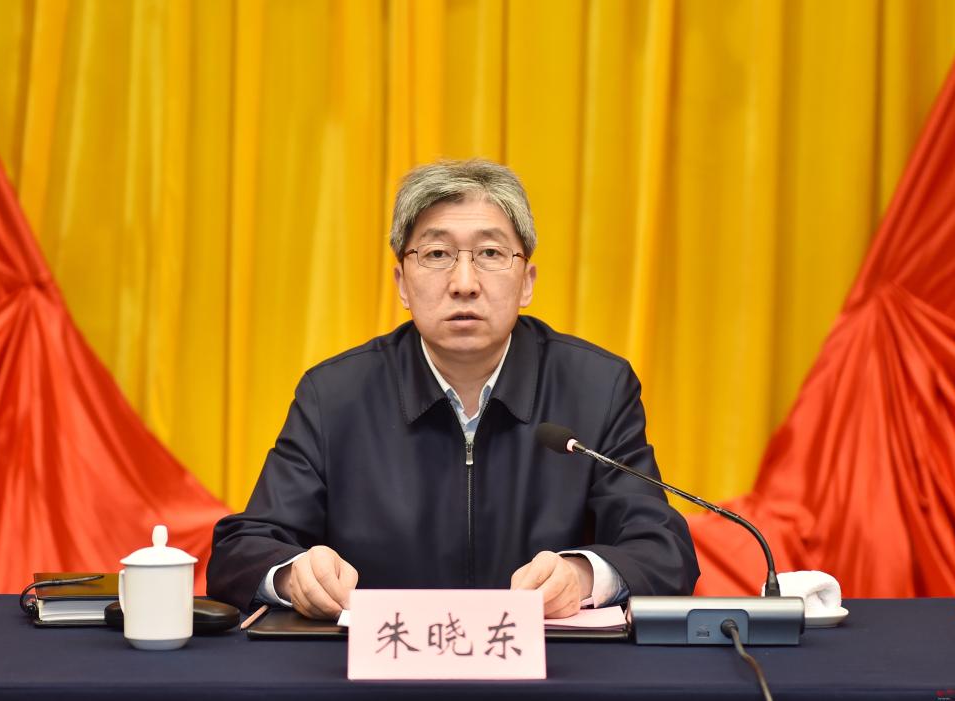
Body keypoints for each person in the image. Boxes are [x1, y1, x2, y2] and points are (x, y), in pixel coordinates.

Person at [207, 159, 698, 618]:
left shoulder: (597, 388)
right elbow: (241, 550)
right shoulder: (334, 396)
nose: (464, 282)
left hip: (548, 667)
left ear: (527, 281)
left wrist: (583, 575)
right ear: (402, 283)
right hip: (381, 665)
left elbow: (662, 549)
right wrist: (294, 575)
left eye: (490, 253)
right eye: (437, 254)